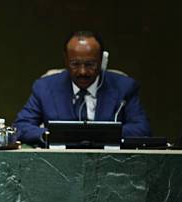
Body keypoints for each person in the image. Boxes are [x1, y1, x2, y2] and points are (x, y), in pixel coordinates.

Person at [14, 30, 151, 145]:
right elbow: (20, 126)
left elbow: (142, 129)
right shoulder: (45, 87)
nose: (82, 72)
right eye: (75, 64)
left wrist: (99, 134)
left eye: (90, 64)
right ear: (66, 60)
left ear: (101, 61)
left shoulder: (124, 87)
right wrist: (54, 135)